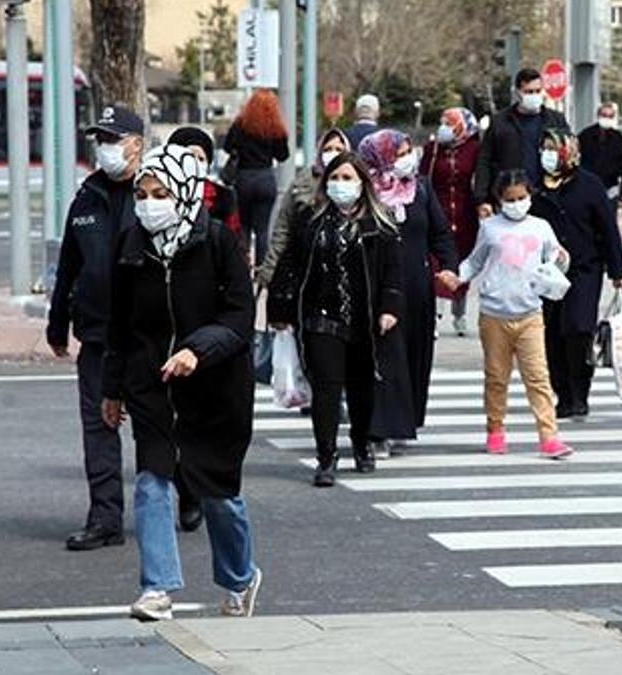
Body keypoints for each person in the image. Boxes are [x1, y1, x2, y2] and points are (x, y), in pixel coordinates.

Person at [102, 144, 262, 621]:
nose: (150, 203)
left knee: (218, 497)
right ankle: (158, 589)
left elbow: (239, 316)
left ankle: (240, 576)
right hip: (152, 385)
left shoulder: (217, 242)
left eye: (162, 192)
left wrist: (198, 349)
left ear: (187, 194)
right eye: (143, 193)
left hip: (215, 389)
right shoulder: (131, 245)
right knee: (152, 482)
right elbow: (119, 324)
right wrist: (112, 387)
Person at [267, 151, 408, 486]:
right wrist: (280, 311)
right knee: (327, 389)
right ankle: (326, 457)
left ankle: (362, 445)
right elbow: (290, 267)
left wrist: (390, 308)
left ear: (362, 183)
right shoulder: (311, 222)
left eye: (347, 178)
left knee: (361, 388)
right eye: (334, 178)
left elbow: (393, 273)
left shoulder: (380, 224)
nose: (340, 185)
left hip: (365, 319)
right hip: (321, 317)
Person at [47, 104, 144, 551]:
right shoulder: (86, 197)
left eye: (112, 139)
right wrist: (57, 320)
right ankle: (105, 517)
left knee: (157, 428)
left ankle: (176, 500)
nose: (103, 148)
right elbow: (69, 265)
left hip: (147, 336)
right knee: (98, 429)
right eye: (99, 140)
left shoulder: (154, 193)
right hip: (98, 335)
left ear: (136, 144)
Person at [459, 170, 574, 458]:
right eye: (510, 199)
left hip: (530, 313)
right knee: (497, 377)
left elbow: (557, 260)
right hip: (494, 313)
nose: (516, 203)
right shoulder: (490, 228)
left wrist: (562, 259)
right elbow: (475, 261)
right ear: (499, 200)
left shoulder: (541, 227)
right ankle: (495, 429)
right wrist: (455, 277)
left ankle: (549, 435)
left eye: (522, 197)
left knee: (538, 376)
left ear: (530, 196)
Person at [359, 130, 460, 455]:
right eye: (399, 152)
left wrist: (448, 266)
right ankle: (380, 430)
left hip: (418, 286)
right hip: (380, 288)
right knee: (387, 357)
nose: (407, 157)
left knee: (415, 355)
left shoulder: (421, 190)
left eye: (407, 151)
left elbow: (440, 233)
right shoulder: (366, 194)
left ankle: (407, 421)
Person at [532, 131, 622, 419]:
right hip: (548, 273)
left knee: (578, 329)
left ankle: (580, 391)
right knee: (552, 333)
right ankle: (562, 392)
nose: (547, 154)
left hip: (584, 269)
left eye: (553, 148)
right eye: (544, 148)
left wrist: (618, 270)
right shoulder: (537, 186)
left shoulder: (590, 185)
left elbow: (608, 230)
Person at [258, 129, 351, 287]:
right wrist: (269, 270)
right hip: (304, 269)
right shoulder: (303, 182)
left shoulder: (355, 184)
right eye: (327, 149)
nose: (333, 153)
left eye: (338, 149)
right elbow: (283, 227)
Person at [474, 68, 571, 219]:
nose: (534, 96)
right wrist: (482, 199)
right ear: (518, 92)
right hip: (511, 199)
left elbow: (568, 158)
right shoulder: (500, 122)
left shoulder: (555, 120)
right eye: (529, 92)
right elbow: (484, 160)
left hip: (549, 198)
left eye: (538, 91)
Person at [422, 108, 481, 337]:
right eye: (443, 122)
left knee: (462, 263)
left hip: (465, 215)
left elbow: (480, 176)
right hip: (438, 212)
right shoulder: (433, 149)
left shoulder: (474, 149)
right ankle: (435, 316)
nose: (444, 127)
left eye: (450, 123)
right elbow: (423, 176)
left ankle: (460, 314)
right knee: (436, 264)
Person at [224, 89, 290, 266]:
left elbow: (227, 146)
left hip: (243, 178)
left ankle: (242, 265)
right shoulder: (275, 128)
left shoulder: (240, 125)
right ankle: (261, 269)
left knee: (243, 225)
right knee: (262, 230)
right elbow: (283, 156)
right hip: (265, 178)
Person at [169, 126, 240, 242]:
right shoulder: (159, 192)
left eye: (201, 159)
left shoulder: (224, 198)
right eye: (190, 157)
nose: (195, 163)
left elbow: (234, 239)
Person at [577, 102, 622, 206]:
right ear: (598, 115)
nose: (607, 118)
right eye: (604, 115)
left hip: (610, 187)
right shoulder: (586, 135)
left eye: (610, 116)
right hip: (588, 185)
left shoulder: (617, 137)